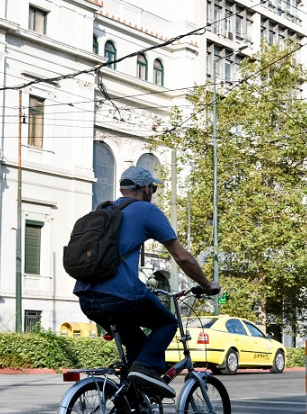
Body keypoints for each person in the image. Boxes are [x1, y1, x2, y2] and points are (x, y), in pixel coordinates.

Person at [74, 166, 220, 398]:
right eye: (152, 188)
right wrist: (206, 284)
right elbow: (181, 256)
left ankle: (132, 405)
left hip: (87, 296)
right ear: (145, 189)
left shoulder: (105, 209)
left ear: (122, 188)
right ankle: (146, 369)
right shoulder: (146, 210)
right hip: (119, 295)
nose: (152, 192)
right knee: (166, 322)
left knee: (138, 346)